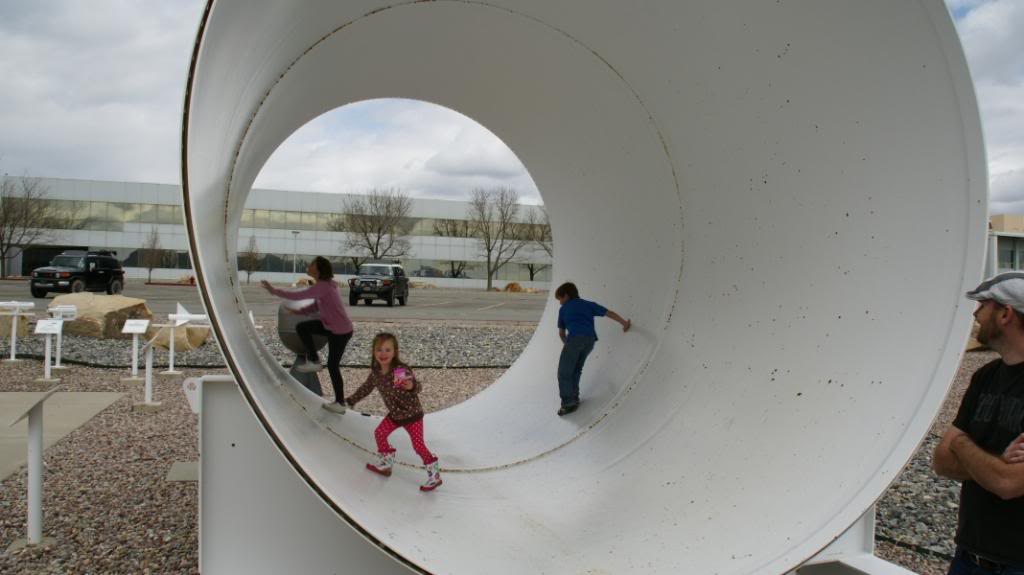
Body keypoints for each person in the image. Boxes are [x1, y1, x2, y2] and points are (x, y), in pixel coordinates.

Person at [933, 272, 1024, 575]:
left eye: (983, 304)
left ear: (1005, 314)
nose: (976, 313)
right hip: (968, 558)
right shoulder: (984, 377)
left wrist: (963, 445)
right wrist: (997, 462)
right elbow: (942, 460)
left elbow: (1008, 484)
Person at [345, 332, 441, 492]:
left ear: (395, 352)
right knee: (380, 433)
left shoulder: (398, 371)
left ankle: (435, 476)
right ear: (373, 352)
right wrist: (351, 400)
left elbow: (417, 387)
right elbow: (366, 388)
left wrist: (411, 386)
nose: (383, 354)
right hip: (395, 415)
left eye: (387, 350)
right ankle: (386, 465)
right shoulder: (376, 373)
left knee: (418, 446)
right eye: (379, 350)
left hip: (412, 415)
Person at [261, 256, 353, 414]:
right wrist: (298, 311)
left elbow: (298, 296)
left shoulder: (323, 286)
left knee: (332, 366)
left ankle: (339, 403)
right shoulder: (325, 286)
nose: (308, 266)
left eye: (312, 265)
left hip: (340, 331)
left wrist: (273, 290)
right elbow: (316, 305)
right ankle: (314, 359)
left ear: (318, 270)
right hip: (330, 327)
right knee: (303, 327)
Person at [553, 281, 631, 416]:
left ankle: (569, 403)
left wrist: (568, 345)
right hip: (590, 340)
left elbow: (561, 333)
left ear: (566, 295)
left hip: (575, 339)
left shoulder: (564, 309)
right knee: (577, 369)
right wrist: (624, 323)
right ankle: (574, 397)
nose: (560, 302)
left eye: (560, 299)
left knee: (564, 372)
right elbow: (609, 313)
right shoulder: (588, 304)